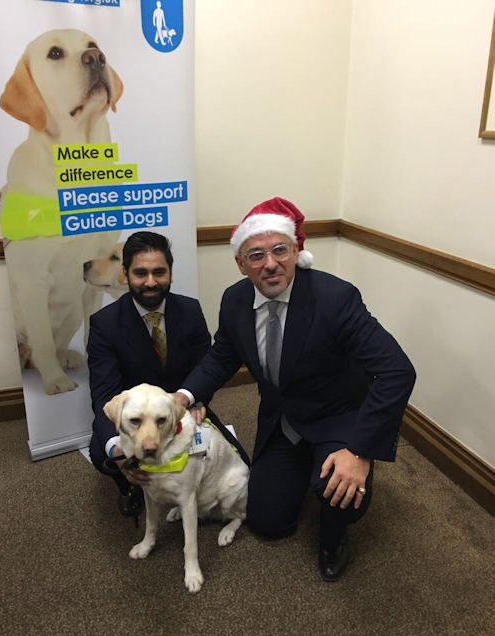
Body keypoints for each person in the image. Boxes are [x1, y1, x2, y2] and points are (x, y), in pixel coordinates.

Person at [176, 197, 416, 581]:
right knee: (268, 523)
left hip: (337, 418)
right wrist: (184, 397)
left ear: (296, 250)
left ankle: (334, 535)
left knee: (342, 496)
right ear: (241, 263)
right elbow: (221, 357)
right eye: (256, 254)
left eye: (279, 250)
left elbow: (397, 372)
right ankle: (305, 465)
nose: (270, 263)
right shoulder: (234, 299)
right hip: (283, 421)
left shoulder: (336, 298)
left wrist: (361, 451)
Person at [87, 231, 248, 518]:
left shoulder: (189, 309)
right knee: (104, 454)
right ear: (125, 274)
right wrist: (120, 454)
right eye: (141, 273)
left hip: (182, 411)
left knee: (242, 463)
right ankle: (131, 488)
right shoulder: (104, 324)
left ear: (170, 272)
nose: (151, 282)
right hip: (136, 420)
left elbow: (205, 368)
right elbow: (104, 393)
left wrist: (197, 400)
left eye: (159, 272)